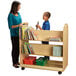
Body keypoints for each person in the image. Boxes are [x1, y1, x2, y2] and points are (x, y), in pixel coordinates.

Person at [8, 1, 23, 68]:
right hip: (14, 35)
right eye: (19, 6)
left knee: (19, 49)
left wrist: (23, 24)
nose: (20, 7)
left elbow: (20, 23)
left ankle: (18, 61)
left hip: (20, 34)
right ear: (15, 6)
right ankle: (14, 63)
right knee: (15, 49)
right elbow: (10, 27)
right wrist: (18, 25)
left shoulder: (19, 13)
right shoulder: (10, 15)